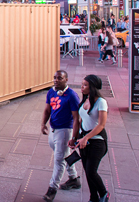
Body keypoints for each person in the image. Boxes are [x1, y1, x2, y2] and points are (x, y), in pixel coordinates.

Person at [41, 70, 80, 201]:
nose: (56, 80)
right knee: (64, 154)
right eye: (55, 78)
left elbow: (76, 118)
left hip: (64, 131)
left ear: (66, 80)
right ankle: (74, 178)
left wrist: (74, 137)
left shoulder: (72, 96)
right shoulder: (51, 92)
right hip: (53, 129)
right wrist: (43, 124)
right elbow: (47, 109)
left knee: (59, 160)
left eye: (60, 78)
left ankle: (52, 189)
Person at [69, 75, 109, 202]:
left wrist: (86, 138)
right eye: (82, 84)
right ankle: (93, 197)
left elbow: (101, 125)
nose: (82, 87)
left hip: (97, 141)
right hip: (83, 140)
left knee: (92, 171)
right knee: (87, 171)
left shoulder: (101, 102)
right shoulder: (85, 99)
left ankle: (103, 193)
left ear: (93, 87)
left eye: (85, 85)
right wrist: (75, 137)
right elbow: (80, 121)